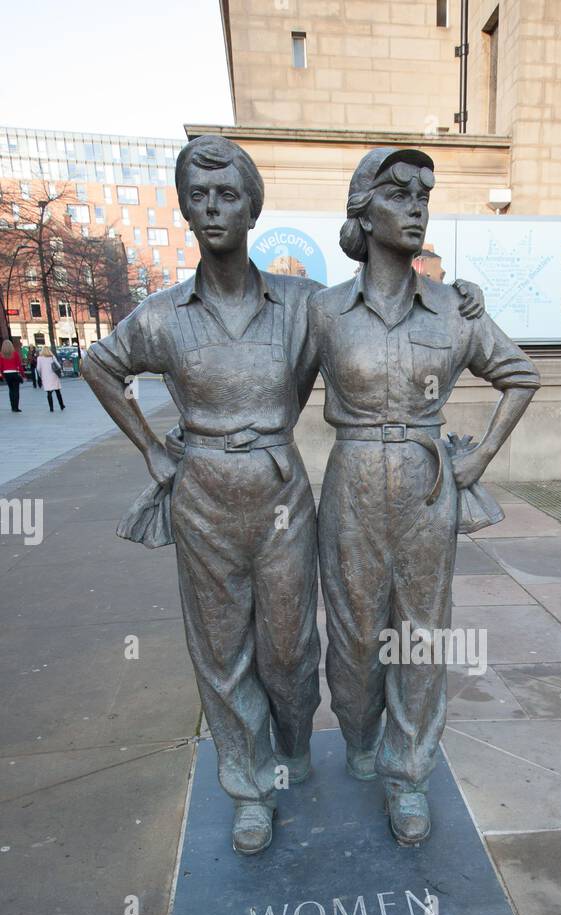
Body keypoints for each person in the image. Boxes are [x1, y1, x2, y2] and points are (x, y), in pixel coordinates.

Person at [81, 134, 485, 856]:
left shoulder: (304, 304)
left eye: (228, 193)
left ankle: (295, 747)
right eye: (198, 195)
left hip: (280, 495)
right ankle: (249, 785)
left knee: (291, 647)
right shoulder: (166, 313)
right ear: (182, 205)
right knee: (219, 648)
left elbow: (374, 308)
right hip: (202, 491)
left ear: (252, 206)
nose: (212, 208)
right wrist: (151, 449)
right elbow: (101, 365)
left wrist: (457, 296)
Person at [307, 147, 539, 847]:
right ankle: (359, 729)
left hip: (426, 486)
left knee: (420, 635)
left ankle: (408, 773)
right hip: (350, 486)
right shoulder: (322, 311)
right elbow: (270, 391)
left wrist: (481, 459)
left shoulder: (452, 306)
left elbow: (519, 375)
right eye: (400, 193)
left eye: (425, 195)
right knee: (351, 649)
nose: (416, 206)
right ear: (363, 209)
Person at [36, 346, 65, 410]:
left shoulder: (39, 358)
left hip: (45, 377)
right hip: (54, 376)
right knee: (58, 391)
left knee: (49, 393)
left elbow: (38, 368)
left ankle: (51, 408)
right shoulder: (52, 357)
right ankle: (61, 405)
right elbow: (58, 366)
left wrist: (40, 374)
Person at [1, 339, 25, 412]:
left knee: (11, 390)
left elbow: (1, 366)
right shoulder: (15, 354)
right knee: (16, 390)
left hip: (6, 373)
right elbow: (19, 365)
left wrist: (2, 374)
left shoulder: (1, 355)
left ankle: (12, 407)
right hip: (14, 373)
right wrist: (23, 375)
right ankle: (16, 407)